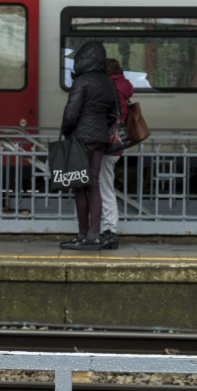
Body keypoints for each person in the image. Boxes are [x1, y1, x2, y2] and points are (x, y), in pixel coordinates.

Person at [59, 41, 116, 251]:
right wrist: (101, 129)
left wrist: (66, 131)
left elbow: (71, 113)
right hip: (99, 141)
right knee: (94, 186)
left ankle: (82, 234)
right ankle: (94, 234)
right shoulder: (108, 82)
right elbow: (114, 112)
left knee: (78, 187)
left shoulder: (81, 81)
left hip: (80, 140)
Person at [99, 58, 135, 250]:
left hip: (106, 144)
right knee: (103, 186)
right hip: (116, 146)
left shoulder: (109, 88)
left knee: (104, 188)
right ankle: (103, 229)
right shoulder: (123, 86)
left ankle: (110, 231)